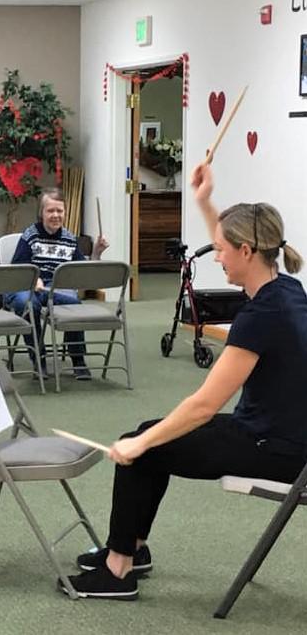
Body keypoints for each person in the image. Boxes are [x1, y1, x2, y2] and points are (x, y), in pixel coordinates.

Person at [62, 162, 307, 601]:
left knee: (142, 446)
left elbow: (203, 406)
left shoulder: (260, 317)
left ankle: (117, 571)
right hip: (283, 437)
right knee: (148, 437)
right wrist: (204, 201)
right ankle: (131, 550)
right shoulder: (285, 289)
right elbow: (231, 236)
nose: (217, 258)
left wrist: (140, 444)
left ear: (247, 251)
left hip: (274, 450)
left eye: (221, 251)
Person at [3, 188, 109, 380]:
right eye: (50, 211)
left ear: (65, 213)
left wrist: (96, 253)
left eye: (59, 211)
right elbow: (17, 268)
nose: (55, 215)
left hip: (54, 289)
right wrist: (33, 278)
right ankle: (39, 359)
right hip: (25, 286)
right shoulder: (30, 235)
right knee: (28, 305)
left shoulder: (69, 239)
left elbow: (82, 272)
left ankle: (78, 360)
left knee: (75, 305)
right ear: (41, 213)